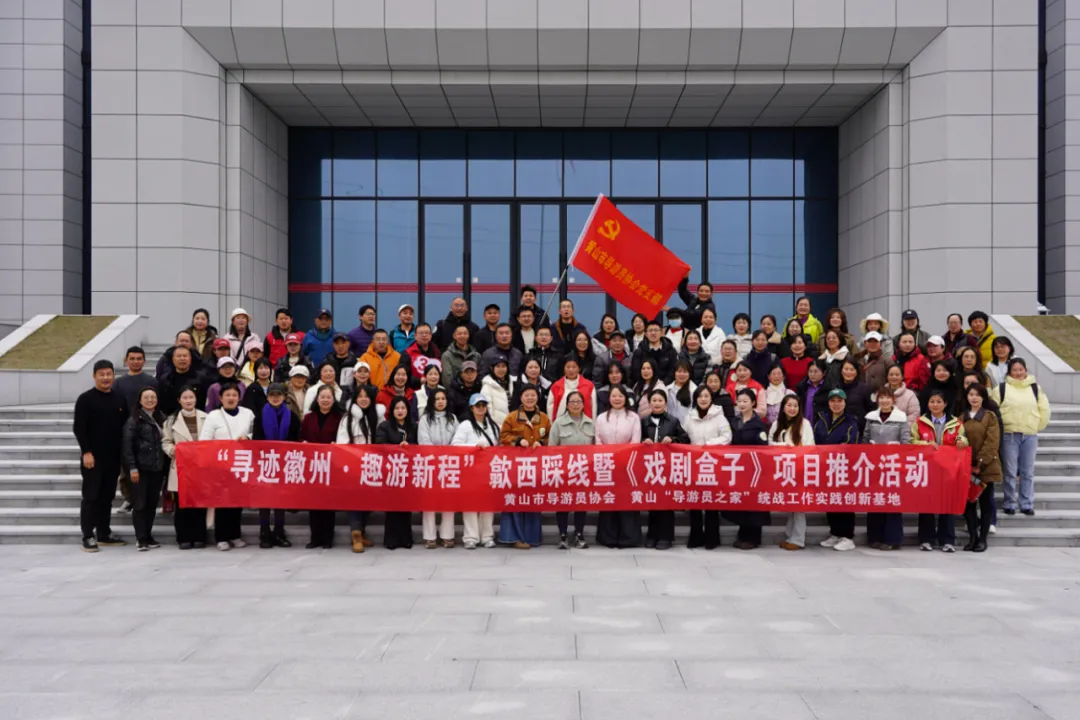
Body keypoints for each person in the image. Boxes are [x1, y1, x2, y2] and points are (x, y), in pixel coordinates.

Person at [199, 382, 254, 551]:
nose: (231, 398)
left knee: (237, 502)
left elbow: (256, 433)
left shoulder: (248, 413)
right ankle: (221, 537)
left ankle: (235, 535)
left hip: (241, 464)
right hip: (220, 466)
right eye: (227, 395)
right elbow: (204, 440)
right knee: (222, 502)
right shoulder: (213, 416)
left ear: (239, 397)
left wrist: (248, 437)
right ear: (220, 398)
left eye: (234, 395)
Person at [993, 358, 1052, 516]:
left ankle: (1026, 503)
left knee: (1027, 471)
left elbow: (1044, 409)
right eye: (1015, 370)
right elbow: (993, 411)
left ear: (1025, 370)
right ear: (1009, 372)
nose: (1018, 373)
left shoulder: (1035, 388)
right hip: (1009, 435)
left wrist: (1036, 426)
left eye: (1021, 369)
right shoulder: (1001, 389)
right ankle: (1009, 503)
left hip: (1029, 435)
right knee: (1010, 471)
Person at [912, 389, 968, 552]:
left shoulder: (956, 423)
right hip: (926, 469)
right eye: (932, 401)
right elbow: (912, 441)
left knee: (947, 505)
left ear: (945, 404)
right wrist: (925, 444)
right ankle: (926, 539)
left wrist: (961, 440)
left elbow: (963, 438)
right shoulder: (919, 422)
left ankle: (947, 540)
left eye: (938, 401)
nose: (935, 405)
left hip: (948, 470)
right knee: (926, 504)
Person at [497, 386, 551, 549]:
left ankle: (532, 537)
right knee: (514, 501)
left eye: (533, 395)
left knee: (533, 501)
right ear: (521, 397)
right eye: (526, 395)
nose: (530, 398)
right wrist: (518, 440)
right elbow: (503, 436)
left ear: (537, 397)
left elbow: (549, 437)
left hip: (536, 467)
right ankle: (513, 537)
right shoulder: (512, 417)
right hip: (516, 467)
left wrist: (541, 443)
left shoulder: (544, 418)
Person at [337, 384, 384, 552]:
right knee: (354, 500)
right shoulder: (347, 418)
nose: (363, 399)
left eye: (366, 396)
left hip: (373, 466)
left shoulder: (378, 417)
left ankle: (362, 531)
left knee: (368, 501)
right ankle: (355, 534)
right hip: (354, 467)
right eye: (360, 396)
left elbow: (383, 440)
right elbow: (342, 442)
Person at [684, 386, 732, 549]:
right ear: (695, 399)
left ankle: (712, 538)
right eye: (700, 396)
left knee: (711, 501)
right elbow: (684, 436)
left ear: (711, 398)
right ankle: (696, 537)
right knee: (694, 501)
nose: (703, 399)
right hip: (693, 463)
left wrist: (708, 445)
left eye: (706, 396)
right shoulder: (689, 416)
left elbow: (727, 436)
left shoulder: (719, 416)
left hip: (713, 463)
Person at [862, 386, 909, 551]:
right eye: (881, 397)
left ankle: (892, 539)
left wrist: (896, 453)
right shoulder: (871, 417)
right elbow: (865, 438)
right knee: (875, 500)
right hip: (874, 465)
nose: (884, 401)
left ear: (893, 400)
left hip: (893, 466)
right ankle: (874, 537)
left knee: (892, 502)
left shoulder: (901, 418)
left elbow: (905, 441)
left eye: (887, 397)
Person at [594, 385, 642, 548]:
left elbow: (635, 441)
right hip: (606, 465)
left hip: (627, 465)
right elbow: (598, 440)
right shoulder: (601, 418)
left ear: (625, 398)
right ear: (609, 398)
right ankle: (608, 537)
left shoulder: (633, 417)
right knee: (608, 500)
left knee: (627, 500)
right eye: (614, 396)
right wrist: (608, 457)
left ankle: (628, 537)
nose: (617, 399)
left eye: (620, 396)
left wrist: (622, 457)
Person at [452, 393, 502, 549]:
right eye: (477, 406)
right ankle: (470, 537)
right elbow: (455, 446)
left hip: (488, 471)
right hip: (470, 471)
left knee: (487, 506)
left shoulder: (493, 426)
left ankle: (487, 536)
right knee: (471, 505)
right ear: (471, 408)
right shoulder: (465, 425)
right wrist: (474, 448)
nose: (481, 408)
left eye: (483, 405)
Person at [641, 390, 689, 550]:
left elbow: (685, 439)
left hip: (668, 468)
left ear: (665, 403)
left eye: (660, 400)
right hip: (650, 468)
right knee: (653, 502)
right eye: (654, 400)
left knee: (666, 503)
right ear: (650, 403)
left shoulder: (673, 421)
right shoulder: (644, 421)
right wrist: (643, 441)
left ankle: (666, 537)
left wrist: (673, 439)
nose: (657, 403)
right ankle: (652, 536)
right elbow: (637, 440)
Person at [813, 389, 861, 552]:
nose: (836, 404)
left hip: (843, 468)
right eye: (833, 401)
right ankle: (835, 533)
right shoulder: (821, 420)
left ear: (845, 403)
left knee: (844, 501)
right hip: (825, 467)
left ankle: (847, 537)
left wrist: (831, 451)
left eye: (839, 401)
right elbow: (815, 442)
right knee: (830, 500)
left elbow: (850, 443)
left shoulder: (851, 421)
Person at [120, 386, 166, 552]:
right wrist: (132, 468)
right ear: (140, 401)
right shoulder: (134, 419)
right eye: (146, 397)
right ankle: (141, 538)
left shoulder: (162, 418)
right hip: (140, 469)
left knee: (152, 504)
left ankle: (148, 535)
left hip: (157, 468)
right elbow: (127, 446)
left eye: (153, 397)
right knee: (139, 504)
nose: (150, 400)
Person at [250, 382, 296, 549]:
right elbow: (256, 439)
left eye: (278, 395)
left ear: (284, 396)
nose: (275, 398)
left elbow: (295, 441)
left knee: (280, 500)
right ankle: (264, 532)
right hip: (265, 463)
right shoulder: (260, 416)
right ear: (267, 397)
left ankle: (279, 532)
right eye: (272, 395)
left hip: (284, 463)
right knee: (264, 500)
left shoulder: (292, 416)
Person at [162, 386, 207, 549]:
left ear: (196, 399)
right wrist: (173, 450)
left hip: (201, 467)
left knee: (199, 504)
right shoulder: (171, 421)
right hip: (181, 467)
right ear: (179, 400)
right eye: (185, 398)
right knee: (182, 505)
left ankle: (200, 536)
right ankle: (183, 537)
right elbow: (166, 441)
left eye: (191, 397)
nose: (188, 401)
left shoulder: (206, 418)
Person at [549, 390, 595, 550]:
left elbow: (596, 448)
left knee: (581, 502)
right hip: (563, 471)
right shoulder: (558, 423)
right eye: (572, 402)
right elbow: (551, 448)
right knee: (563, 502)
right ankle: (562, 534)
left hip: (584, 471)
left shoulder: (590, 423)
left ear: (583, 404)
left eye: (579, 402)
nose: (576, 404)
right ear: (567, 405)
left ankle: (579, 534)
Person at [113, 345, 158, 512]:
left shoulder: (151, 381)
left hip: (148, 430)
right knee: (125, 470)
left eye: (139, 359)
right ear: (126, 360)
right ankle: (129, 498)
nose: (135, 361)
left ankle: (145, 499)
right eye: (132, 358)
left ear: (144, 361)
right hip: (126, 430)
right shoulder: (118, 383)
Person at [301, 384, 343, 549]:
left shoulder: (340, 418)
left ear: (333, 400)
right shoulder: (308, 418)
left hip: (331, 466)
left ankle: (327, 538)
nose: (325, 400)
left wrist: (336, 445)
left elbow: (343, 439)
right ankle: (315, 538)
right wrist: (303, 443)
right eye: (322, 397)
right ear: (317, 399)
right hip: (312, 466)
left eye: (328, 397)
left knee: (328, 503)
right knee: (313, 503)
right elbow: (300, 437)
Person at [727, 388, 771, 549]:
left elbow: (763, 448)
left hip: (755, 469)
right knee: (742, 502)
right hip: (738, 469)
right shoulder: (733, 422)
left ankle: (753, 538)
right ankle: (742, 534)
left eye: (745, 401)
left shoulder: (758, 425)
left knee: (754, 504)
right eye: (739, 401)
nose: (742, 404)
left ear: (753, 403)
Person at [770, 395, 815, 551]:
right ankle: (789, 536)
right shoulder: (777, 424)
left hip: (800, 469)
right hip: (783, 470)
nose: (792, 408)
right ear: (783, 407)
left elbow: (810, 446)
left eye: (795, 406)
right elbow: (770, 443)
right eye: (789, 405)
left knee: (799, 507)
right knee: (790, 505)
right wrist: (784, 446)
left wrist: (795, 451)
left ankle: (798, 539)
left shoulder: (805, 424)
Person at [962, 383, 1002, 552]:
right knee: (968, 505)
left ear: (983, 397)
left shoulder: (990, 416)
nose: (974, 398)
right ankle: (973, 537)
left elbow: (992, 442)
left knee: (985, 505)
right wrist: (967, 465)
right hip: (966, 469)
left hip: (986, 468)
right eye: (971, 394)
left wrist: (979, 463)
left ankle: (982, 539)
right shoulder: (962, 417)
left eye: (977, 394)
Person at [418, 388, 458, 549]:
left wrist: (449, 455)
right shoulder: (425, 419)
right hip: (430, 465)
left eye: (443, 398)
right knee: (430, 501)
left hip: (449, 465)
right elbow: (424, 441)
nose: (441, 402)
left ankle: (447, 535)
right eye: (437, 399)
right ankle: (430, 536)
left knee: (448, 501)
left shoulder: (453, 418)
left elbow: (457, 440)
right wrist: (436, 457)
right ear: (432, 402)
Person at [376, 395, 417, 550]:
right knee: (392, 506)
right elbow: (380, 445)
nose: (400, 411)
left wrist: (410, 446)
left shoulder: (413, 426)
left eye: (403, 408)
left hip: (408, 471)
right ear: (392, 410)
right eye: (397, 408)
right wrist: (397, 448)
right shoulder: (385, 426)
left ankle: (406, 538)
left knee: (406, 506)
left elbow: (420, 446)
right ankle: (391, 539)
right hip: (390, 471)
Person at [157, 345, 208, 416]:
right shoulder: (165, 379)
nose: (182, 358)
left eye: (185, 356)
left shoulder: (201, 378)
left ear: (190, 359)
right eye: (179, 356)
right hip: (171, 417)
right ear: (173, 359)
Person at [548, 356, 597, 420]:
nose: (571, 370)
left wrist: (592, 424)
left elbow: (593, 407)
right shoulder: (556, 386)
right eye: (568, 367)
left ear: (579, 368)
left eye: (574, 367)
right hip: (561, 423)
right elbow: (550, 408)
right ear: (564, 368)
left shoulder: (589, 386)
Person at [832, 358, 874, 431]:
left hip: (858, 429)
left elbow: (871, 409)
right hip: (838, 428)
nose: (848, 372)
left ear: (856, 372)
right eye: (846, 369)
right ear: (841, 371)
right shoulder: (835, 387)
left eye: (852, 369)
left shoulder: (864, 388)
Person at [631, 320, 678, 384]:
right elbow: (636, 371)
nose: (653, 333)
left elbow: (673, 370)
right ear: (646, 334)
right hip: (645, 385)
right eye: (650, 330)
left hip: (666, 386)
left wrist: (663, 384)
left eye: (656, 330)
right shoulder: (639, 351)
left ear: (661, 333)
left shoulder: (671, 350)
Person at [399, 323, 441, 388]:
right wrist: (419, 381)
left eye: (427, 333)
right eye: (421, 333)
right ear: (415, 336)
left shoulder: (437, 352)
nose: (424, 335)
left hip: (434, 389)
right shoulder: (407, 353)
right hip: (414, 390)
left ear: (431, 335)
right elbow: (403, 375)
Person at [480, 355, 514, 426]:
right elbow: (488, 410)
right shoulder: (487, 386)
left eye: (503, 366)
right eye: (498, 366)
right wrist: (495, 427)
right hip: (499, 426)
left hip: (514, 423)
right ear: (492, 368)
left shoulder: (513, 382)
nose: (501, 369)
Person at [666, 360, 697, 426]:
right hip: (670, 427)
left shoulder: (694, 390)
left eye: (685, 372)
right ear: (674, 373)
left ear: (690, 373)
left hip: (687, 427)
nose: (682, 374)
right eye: (679, 371)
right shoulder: (667, 389)